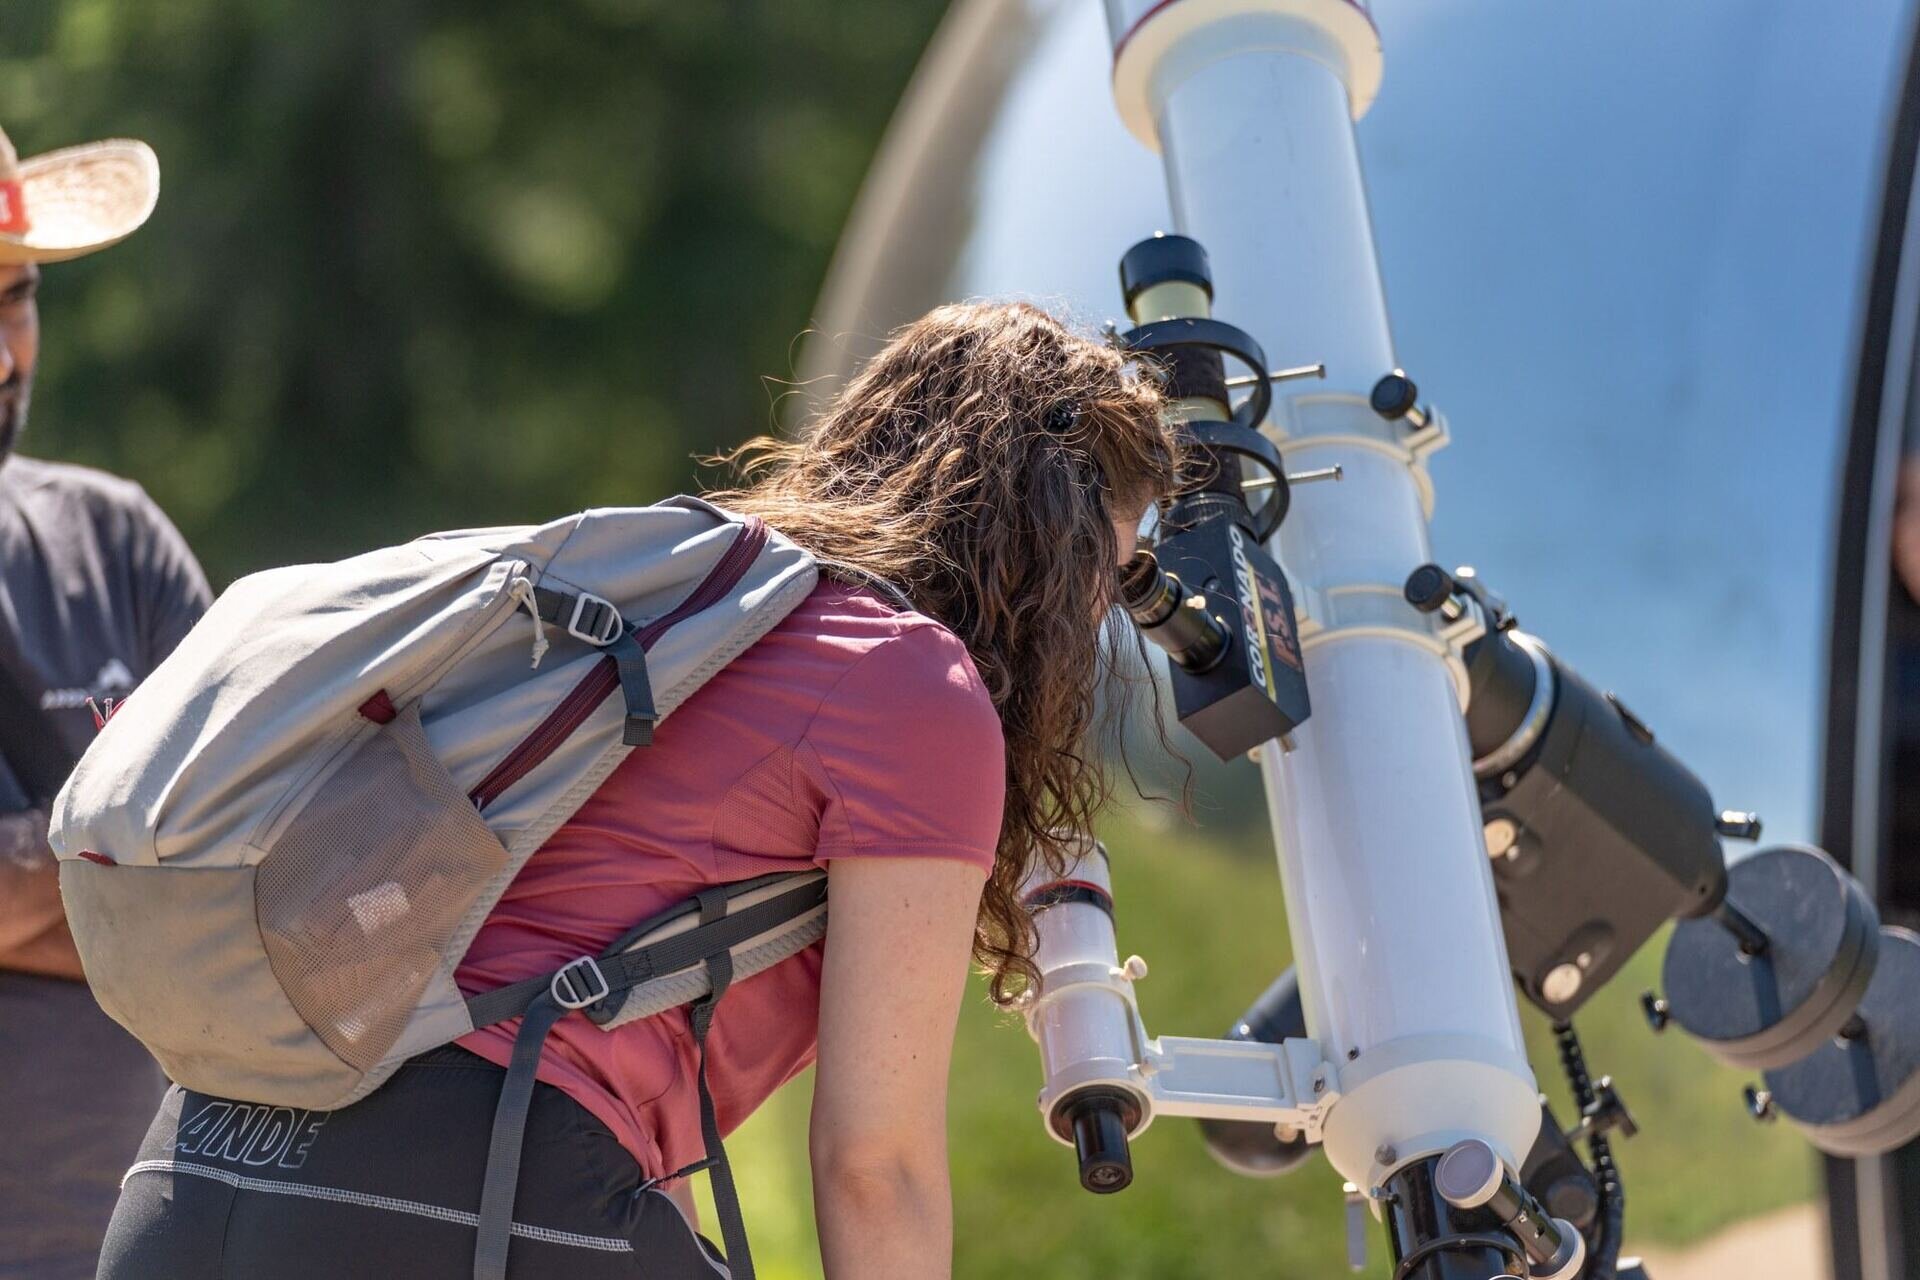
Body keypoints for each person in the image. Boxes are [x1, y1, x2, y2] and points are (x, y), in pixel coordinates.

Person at [99, 300, 1183, 1278]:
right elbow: (874, 1165)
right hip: (462, 1188)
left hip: (190, 1176)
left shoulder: (685, 617)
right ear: (1043, 547)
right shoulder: (913, 687)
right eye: (1099, 577)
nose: (1089, 631)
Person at [0, 124, 212, 1278]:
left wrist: (29, 882)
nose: (4, 357)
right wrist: (125, 864)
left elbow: (246, 878)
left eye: (19, 298)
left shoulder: (118, 543)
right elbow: (177, 878)